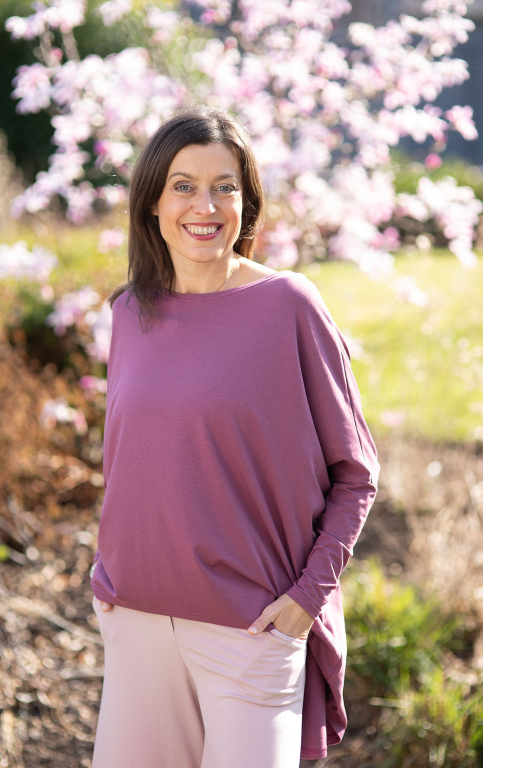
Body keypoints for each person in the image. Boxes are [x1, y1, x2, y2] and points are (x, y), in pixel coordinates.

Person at [89, 105, 379, 768]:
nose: (206, 205)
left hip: (251, 628)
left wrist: (306, 600)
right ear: (153, 203)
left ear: (247, 203)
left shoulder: (289, 306)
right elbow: (131, 460)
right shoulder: (130, 311)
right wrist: (108, 578)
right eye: (184, 186)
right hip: (134, 621)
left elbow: (356, 472)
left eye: (225, 187)